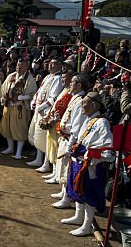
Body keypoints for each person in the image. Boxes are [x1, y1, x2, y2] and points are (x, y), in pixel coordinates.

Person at [62, 92, 114, 237]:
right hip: (79, 159)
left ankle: (87, 225)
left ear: (93, 105)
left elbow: (108, 147)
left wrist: (93, 158)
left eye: (84, 102)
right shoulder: (88, 119)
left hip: (91, 163)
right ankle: (79, 217)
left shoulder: (102, 122)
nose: (81, 105)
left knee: (88, 192)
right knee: (77, 188)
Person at [27, 58, 66, 169]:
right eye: (50, 64)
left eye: (54, 64)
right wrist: (33, 102)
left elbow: (53, 98)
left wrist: (40, 107)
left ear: (60, 66)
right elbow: (39, 92)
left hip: (46, 111)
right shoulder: (48, 77)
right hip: (39, 110)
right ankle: (38, 159)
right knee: (38, 135)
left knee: (45, 137)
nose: (50, 66)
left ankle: (46, 163)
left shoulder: (58, 79)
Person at [0, 56, 37, 158]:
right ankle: (10, 148)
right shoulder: (11, 76)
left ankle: (18, 151)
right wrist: (3, 98)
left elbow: (33, 94)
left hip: (21, 107)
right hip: (9, 106)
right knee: (7, 127)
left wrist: (23, 97)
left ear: (26, 67)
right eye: (18, 65)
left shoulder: (29, 78)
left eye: (22, 65)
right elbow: (3, 89)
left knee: (20, 129)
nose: (19, 67)